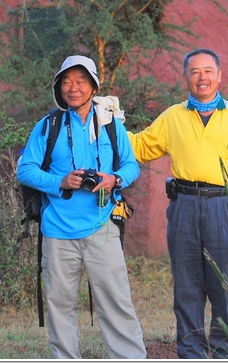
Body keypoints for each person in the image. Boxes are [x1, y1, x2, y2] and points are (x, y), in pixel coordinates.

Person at [129, 48, 228, 359]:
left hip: (225, 207)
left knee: (225, 286)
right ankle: (190, 352)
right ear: (185, 78)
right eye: (194, 72)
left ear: (219, 76)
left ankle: (225, 352)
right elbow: (141, 146)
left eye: (208, 71)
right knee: (187, 286)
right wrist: (108, 123)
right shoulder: (173, 117)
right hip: (184, 206)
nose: (201, 77)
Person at [18, 55, 146, 359]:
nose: (72, 88)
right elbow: (25, 170)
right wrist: (60, 182)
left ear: (93, 87)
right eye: (66, 82)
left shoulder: (111, 124)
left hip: (102, 227)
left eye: (80, 81)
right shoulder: (49, 125)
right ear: (58, 87)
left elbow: (131, 166)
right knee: (60, 306)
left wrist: (113, 179)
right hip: (58, 231)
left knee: (117, 303)